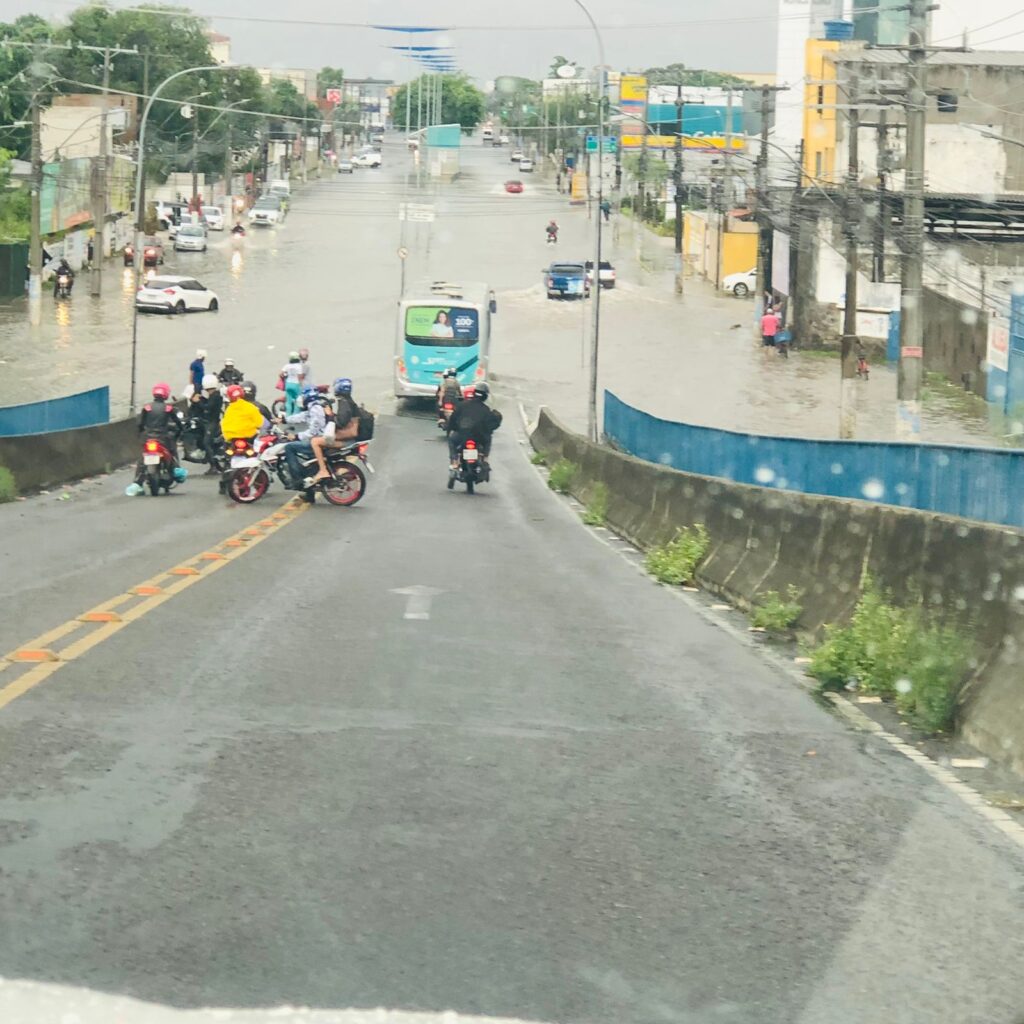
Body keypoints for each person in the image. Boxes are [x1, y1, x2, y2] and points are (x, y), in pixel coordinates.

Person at [126, 383, 185, 495]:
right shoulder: (168, 408)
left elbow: (140, 424)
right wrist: (180, 431)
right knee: (173, 451)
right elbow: (178, 424)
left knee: (142, 459)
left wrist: (141, 434)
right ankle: (176, 469)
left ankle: (137, 483)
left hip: (148, 438)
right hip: (163, 438)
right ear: (166, 394)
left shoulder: (146, 408)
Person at [309, 377, 361, 483]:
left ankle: (323, 470)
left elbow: (341, 422)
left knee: (315, 442)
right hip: (350, 436)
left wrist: (330, 415)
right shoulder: (349, 401)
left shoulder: (344, 403)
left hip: (347, 438)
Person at [279, 386, 328, 488]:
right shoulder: (314, 407)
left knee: (289, 447)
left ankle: (297, 479)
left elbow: (313, 431)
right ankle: (309, 490)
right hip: (318, 438)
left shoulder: (315, 409)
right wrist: (284, 420)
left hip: (318, 440)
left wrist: (296, 436)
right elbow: (301, 417)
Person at [447, 380, 501, 470]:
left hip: (462, 435)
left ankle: (455, 462)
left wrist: (451, 429)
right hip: (479, 437)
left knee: (452, 440)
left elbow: (453, 419)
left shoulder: (462, 405)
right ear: (485, 396)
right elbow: (490, 424)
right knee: (488, 439)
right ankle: (485, 459)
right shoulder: (486, 409)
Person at [281, 351, 305, 416]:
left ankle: (288, 416)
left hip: (288, 384)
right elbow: (300, 378)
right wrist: (302, 386)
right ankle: (295, 415)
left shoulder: (287, 366)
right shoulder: (299, 366)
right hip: (296, 385)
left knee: (288, 402)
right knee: (298, 401)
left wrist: (286, 376)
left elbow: (281, 374)